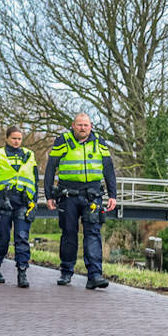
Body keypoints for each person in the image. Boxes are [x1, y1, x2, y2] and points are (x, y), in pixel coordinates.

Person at [43, 113, 117, 290]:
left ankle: (95, 275)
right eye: (79, 125)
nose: (83, 128)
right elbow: (51, 168)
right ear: (73, 125)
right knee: (69, 233)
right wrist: (49, 195)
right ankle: (66, 272)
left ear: (91, 126)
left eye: (86, 125)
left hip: (92, 195)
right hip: (68, 195)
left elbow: (108, 168)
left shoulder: (99, 142)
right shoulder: (62, 141)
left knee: (93, 233)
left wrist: (112, 194)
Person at [0, 127, 37, 288]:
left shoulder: (29, 155)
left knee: (22, 238)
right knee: (2, 239)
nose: (17, 141)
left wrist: (34, 203)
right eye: (13, 138)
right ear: (7, 138)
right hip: (2, 202)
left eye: (19, 139)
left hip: (23, 202)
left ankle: (22, 272)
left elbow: (34, 179)